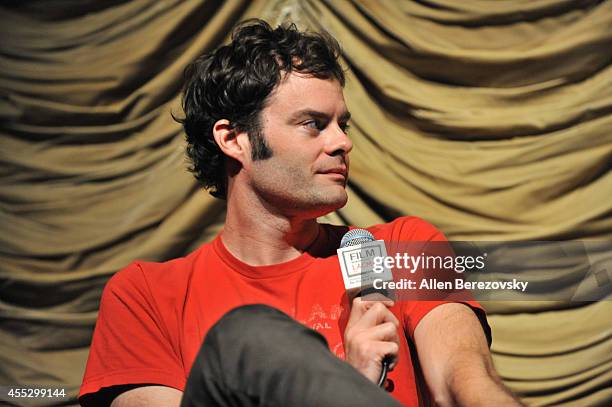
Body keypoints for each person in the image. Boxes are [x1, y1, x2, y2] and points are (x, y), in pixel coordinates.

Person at [79, 19, 523, 407]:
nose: (342, 143)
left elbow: (463, 382)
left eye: (342, 125)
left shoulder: (403, 248)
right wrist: (347, 385)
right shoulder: (146, 296)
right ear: (234, 139)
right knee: (249, 337)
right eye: (314, 124)